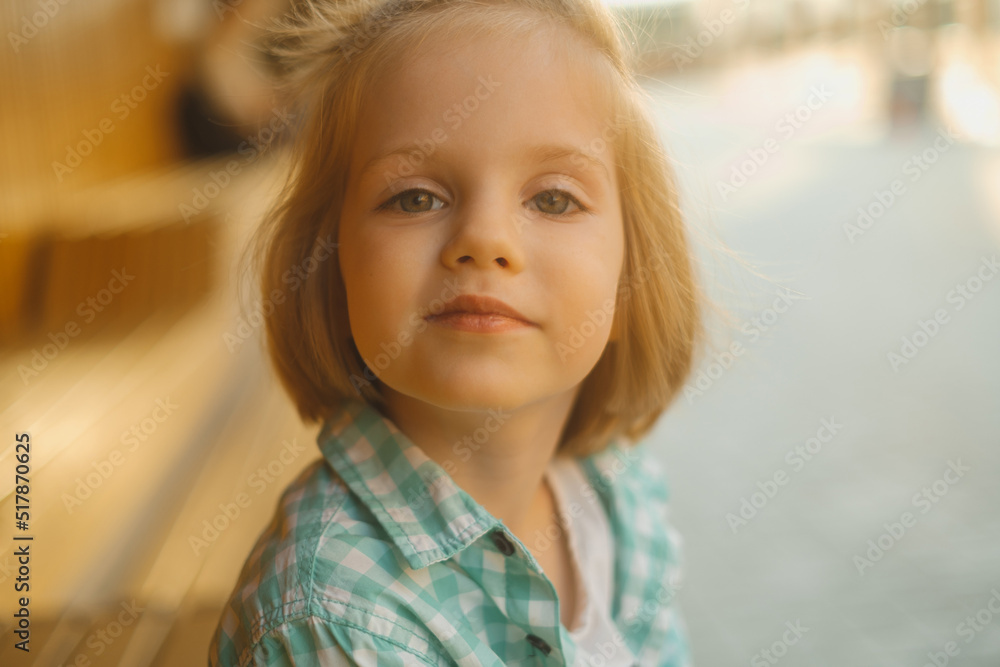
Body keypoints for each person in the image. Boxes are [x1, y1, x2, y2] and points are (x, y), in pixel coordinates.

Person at [208, 0, 708, 664]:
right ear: (330, 269)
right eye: (415, 197)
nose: (485, 239)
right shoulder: (335, 619)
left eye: (552, 198)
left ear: (629, 283)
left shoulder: (618, 493)